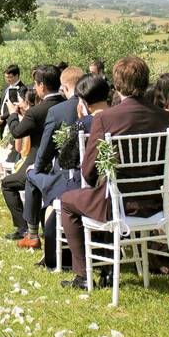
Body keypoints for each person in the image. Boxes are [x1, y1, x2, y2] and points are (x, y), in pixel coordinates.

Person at [58, 57, 169, 290]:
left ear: (117, 84)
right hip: (155, 204)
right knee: (100, 197)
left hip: (117, 205)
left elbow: (89, 173)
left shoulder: (105, 118)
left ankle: (83, 276)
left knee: (67, 201)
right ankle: (108, 271)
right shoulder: (165, 117)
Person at [34, 74, 111, 270]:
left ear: (83, 101)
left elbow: (67, 160)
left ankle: (81, 271)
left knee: (62, 200)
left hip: (95, 192)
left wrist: (80, 120)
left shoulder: (85, 124)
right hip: (125, 192)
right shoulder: (120, 119)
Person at [18, 66, 84, 249]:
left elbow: (46, 149)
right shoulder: (95, 109)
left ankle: (32, 234)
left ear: (64, 86)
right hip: (94, 180)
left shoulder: (58, 111)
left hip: (67, 178)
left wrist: (36, 168)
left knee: (31, 176)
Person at [1, 65, 66, 241]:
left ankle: (24, 228)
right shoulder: (67, 105)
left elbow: (17, 132)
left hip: (38, 162)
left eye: (36, 84)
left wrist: (13, 114)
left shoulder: (36, 111)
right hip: (63, 166)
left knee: (7, 184)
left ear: (42, 86)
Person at [0, 64, 28, 139]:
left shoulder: (22, 89)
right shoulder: (6, 87)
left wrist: (1, 117)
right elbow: (0, 103)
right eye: (6, 77)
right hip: (2, 122)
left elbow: (16, 107)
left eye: (10, 77)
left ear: (17, 76)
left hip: (12, 122)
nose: (8, 79)